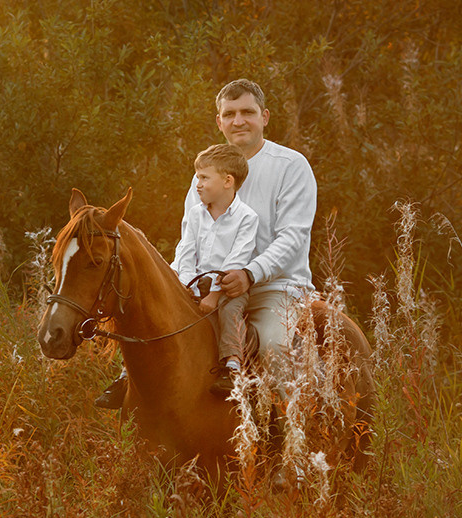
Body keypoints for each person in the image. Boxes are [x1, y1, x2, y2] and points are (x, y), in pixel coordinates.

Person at [95, 78, 316, 409]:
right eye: (229, 114)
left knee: (273, 344)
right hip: (210, 285)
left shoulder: (291, 166)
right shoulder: (204, 175)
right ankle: (130, 384)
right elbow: (190, 240)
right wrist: (178, 281)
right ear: (219, 122)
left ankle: (297, 426)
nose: (238, 121)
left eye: (247, 112)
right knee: (152, 319)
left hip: (273, 289)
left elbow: (293, 238)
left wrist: (249, 274)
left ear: (265, 117)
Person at [171, 143, 258, 395]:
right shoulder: (195, 214)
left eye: (204, 178)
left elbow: (236, 260)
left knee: (230, 311)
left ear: (228, 181)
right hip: (195, 281)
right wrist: (186, 286)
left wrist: (213, 295)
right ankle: (130, 372)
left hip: (227, 287)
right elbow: (186, 251)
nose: (197, 184)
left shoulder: (247, 218)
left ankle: (232, 365)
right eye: (197, 177)